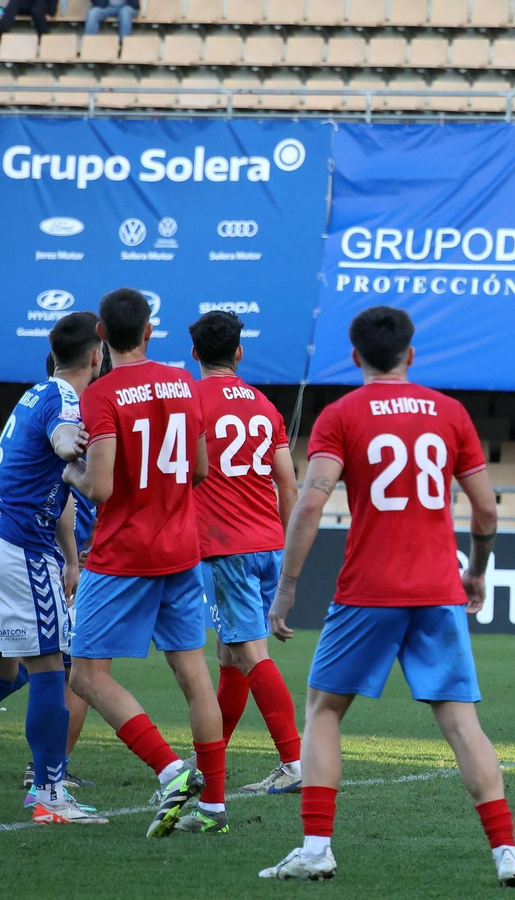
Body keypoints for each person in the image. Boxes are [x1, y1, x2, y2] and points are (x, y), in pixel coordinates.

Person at [258, 306, 515, 886]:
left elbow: (310, 503)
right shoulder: (449, 412)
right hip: (437, 589)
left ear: (355, 357)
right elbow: (485, 508)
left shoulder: (341, 414)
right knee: (462, 722)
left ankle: (315, 848)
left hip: (369, 591)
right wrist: (477, 572)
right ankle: (507, 852)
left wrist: (285, 589)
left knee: (324, 709)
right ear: (411, 355)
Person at [64, 288, 225, 839]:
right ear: (150, 332)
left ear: (103, 336)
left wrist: (72, 475)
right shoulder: (185, 383)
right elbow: (200, 470)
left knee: (86, 675)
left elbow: (100, 486)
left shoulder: (102, 393)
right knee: (194, 675)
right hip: (181, 548)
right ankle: (217, 806)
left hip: (124, 553)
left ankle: (172, 770)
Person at [0, 312, 105, 825]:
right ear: (96, 353)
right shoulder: (66, 400)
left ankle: (51, 788)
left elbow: (61, 479)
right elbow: (62, 443)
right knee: (54, 666)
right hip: (20, 549)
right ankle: (51, 794)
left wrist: (72, 556)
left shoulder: (35, 391)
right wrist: (80, 448)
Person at [189, 311, 304, 817]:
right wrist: (284, 548)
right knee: (230, 655)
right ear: (239, 352)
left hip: (225, 547)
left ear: (194, 354)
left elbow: (187, 473)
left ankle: (295, 761)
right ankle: (206, 762)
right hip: (269, 544)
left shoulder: (191, 401)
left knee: (249, 652)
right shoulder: (263, 404)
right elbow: (290, 486)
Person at [18, 347, 112, 802]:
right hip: (63, 558)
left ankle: (49, 768)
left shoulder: (44, 403)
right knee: (72, 664)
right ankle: (50, 773)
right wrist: (74, 559)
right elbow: (70, 496)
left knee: (16, 664)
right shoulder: (78, 415)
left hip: (49, 553)